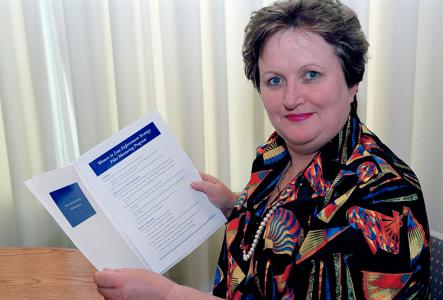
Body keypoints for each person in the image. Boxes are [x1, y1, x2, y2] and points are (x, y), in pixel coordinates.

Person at [94, 0, 430, 299]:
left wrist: (168, 295)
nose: (291, 98)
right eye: (274, 80)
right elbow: (291, 229)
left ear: (352, 81)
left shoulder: (384, 196)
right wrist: (234, 205)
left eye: (311, 74)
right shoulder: (277, 151)